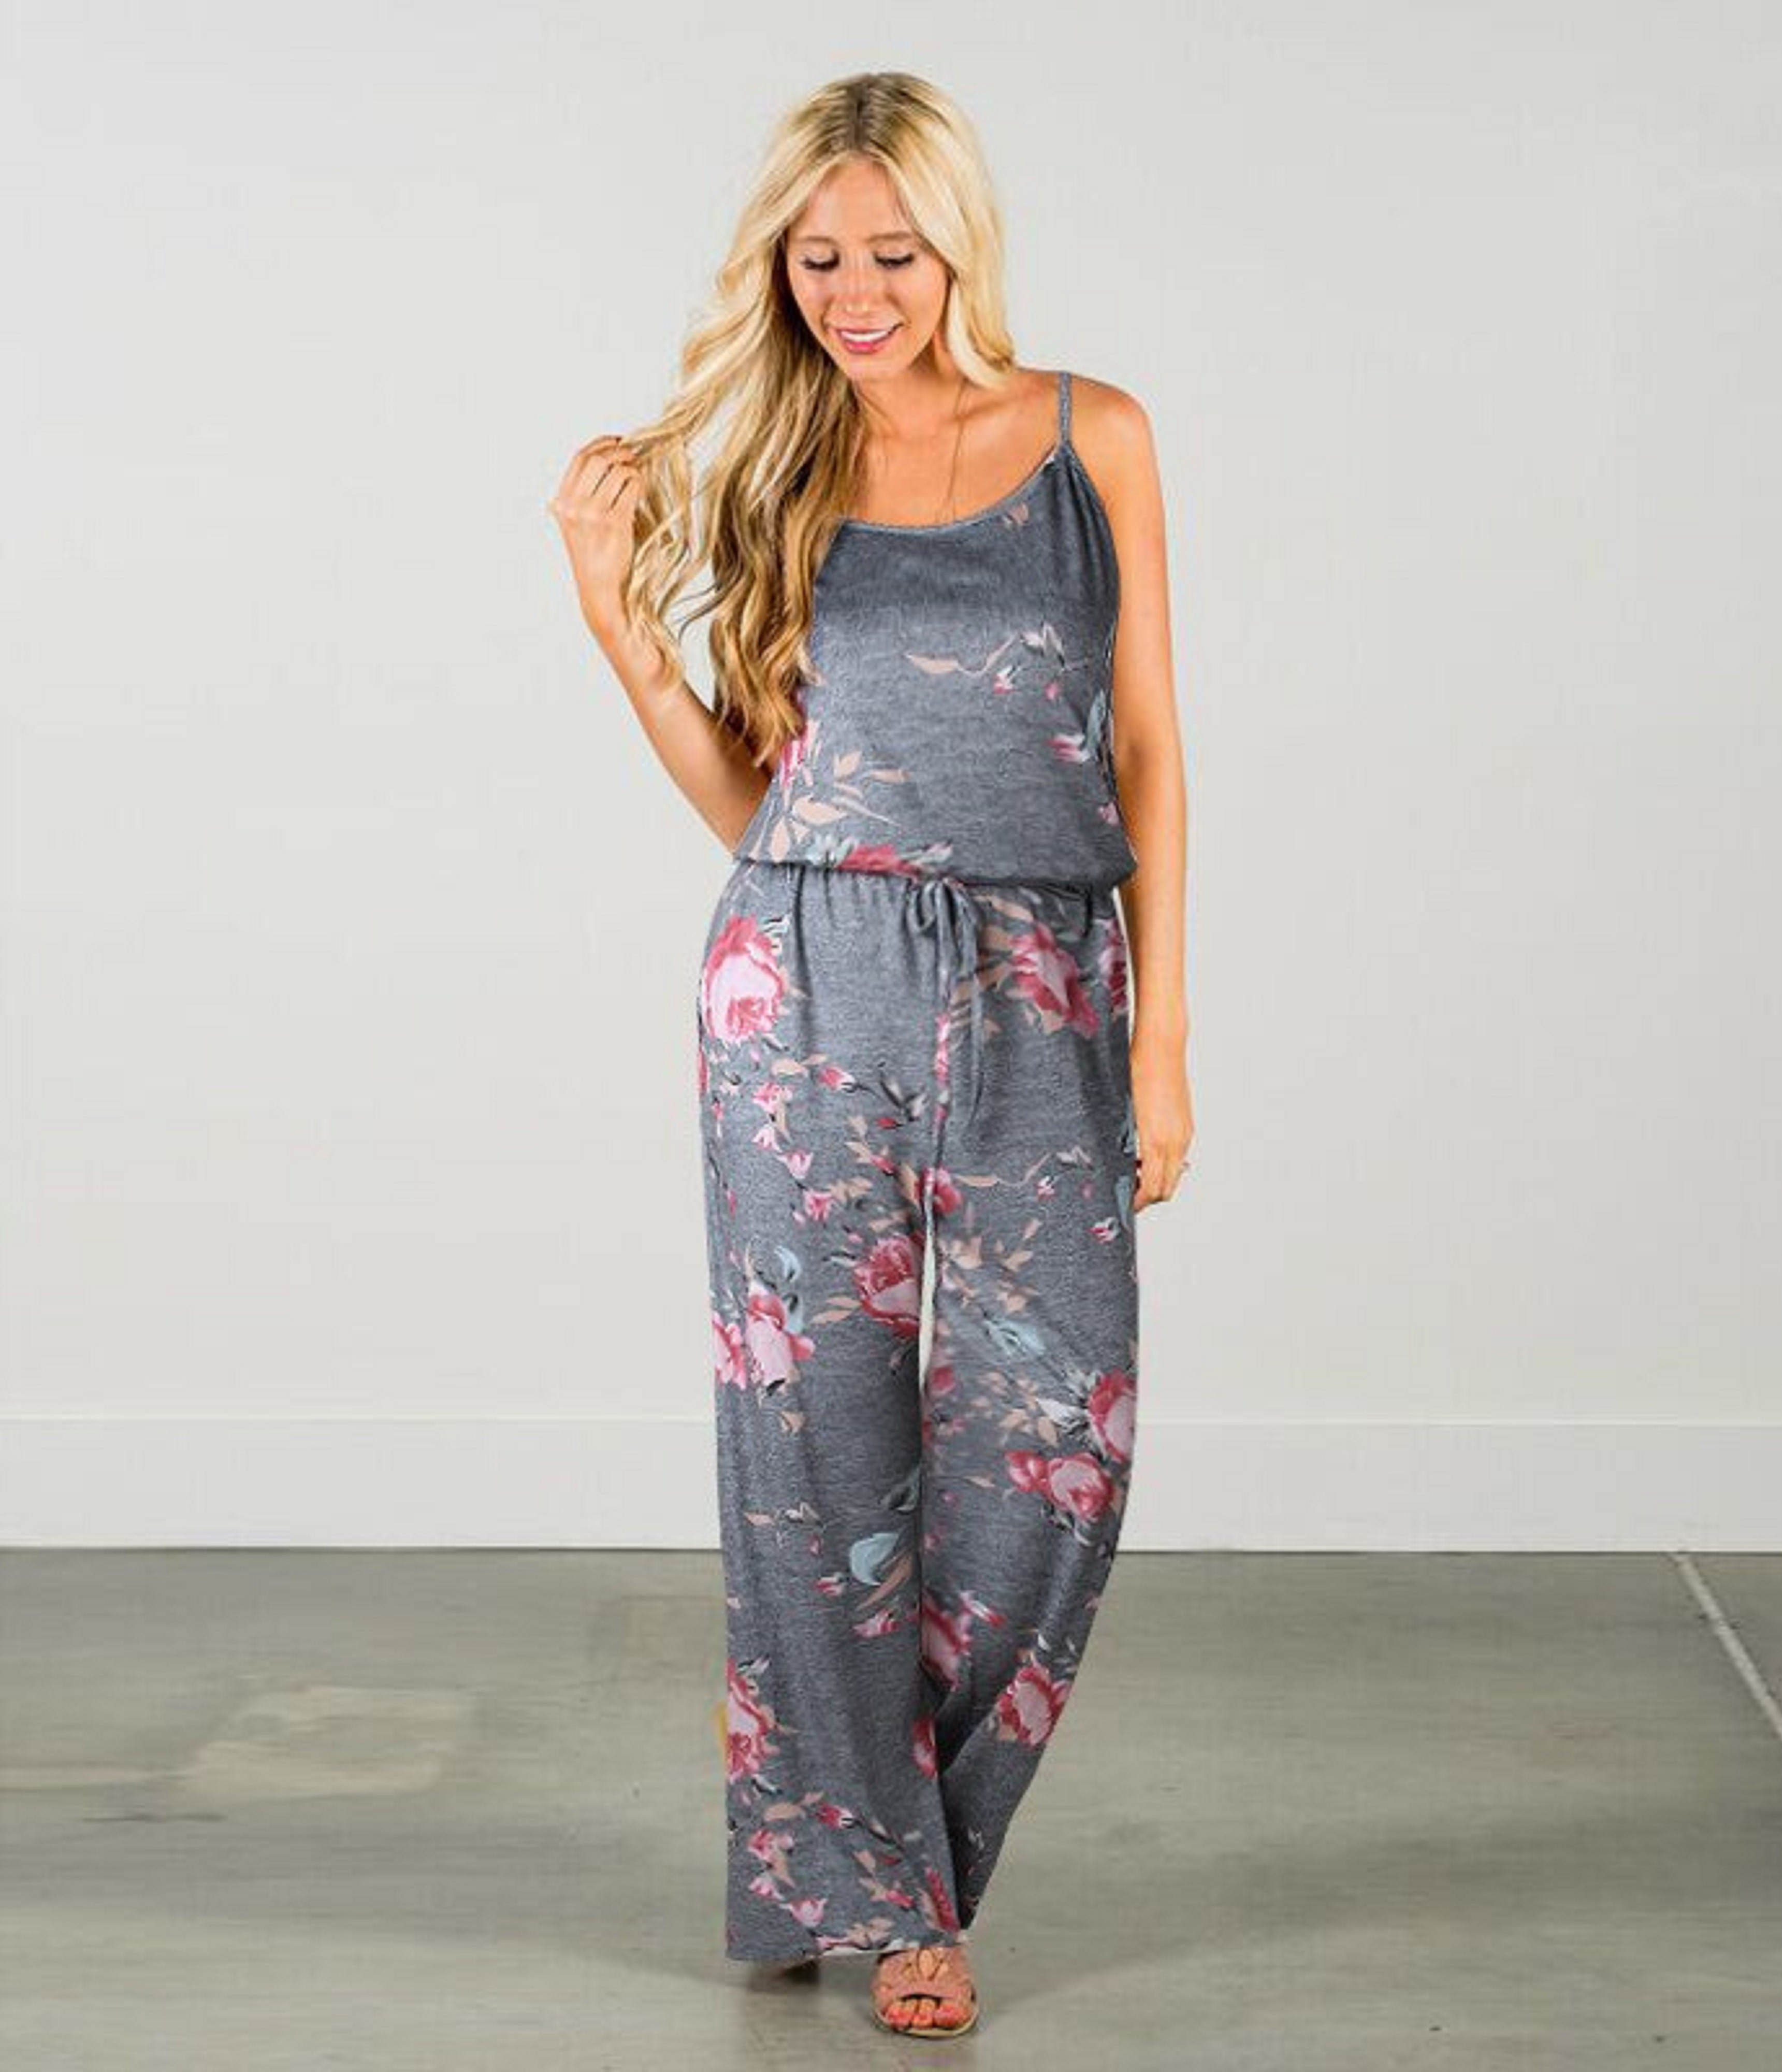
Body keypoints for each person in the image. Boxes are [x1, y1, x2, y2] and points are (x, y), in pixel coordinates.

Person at [547, 70, 1192, 2038]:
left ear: (956, 245)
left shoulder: (1093, 436)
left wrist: (1167, 1033)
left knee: (1055, 1443)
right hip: (807, 973)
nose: (854, 293)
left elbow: (1148, 750)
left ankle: (855, 1811)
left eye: (891, 254)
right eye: (818, 259)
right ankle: (894, 1895)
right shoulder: (771, 461)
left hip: (1045, 974)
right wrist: (616, 622)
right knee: (816, 1445)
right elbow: (759, 803)